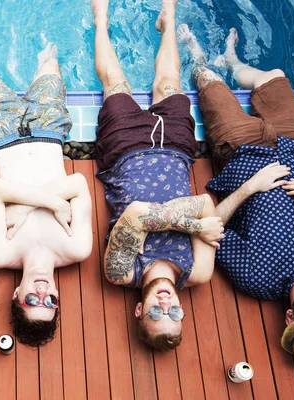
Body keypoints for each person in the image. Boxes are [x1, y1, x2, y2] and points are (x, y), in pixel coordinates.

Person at [179, 24, 294, 369]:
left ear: (291, 318)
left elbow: (209, 225)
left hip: (240, 149)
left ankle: (196, 54)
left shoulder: (257, 277)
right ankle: (233, 61)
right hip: (292, 146)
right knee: (273, 75)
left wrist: (251, 187)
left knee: (206, 78)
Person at [91, 0, 224, 351]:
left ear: (139, 309)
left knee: (116, 84)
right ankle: (169, 16)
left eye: (155, 313)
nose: (167, 305)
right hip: (178, 151)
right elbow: (205, 202)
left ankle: (100, 19)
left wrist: (194, 224)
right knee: (169, 83)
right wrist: (191, 215)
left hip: (124, 151)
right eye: (175, 314)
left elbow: (135, 213)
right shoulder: (198, 272)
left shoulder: (122, 273)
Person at [0, 40, 93, 347]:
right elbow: (78, 183)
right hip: (49, 128)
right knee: (51, 62)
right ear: (58, 298)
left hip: (1, 132)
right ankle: (42, 59)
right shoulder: (76, 248)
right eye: (49, 303)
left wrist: (44, 205)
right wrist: (35, 202)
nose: (41, 294)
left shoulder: (2, 254)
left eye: (31, 302)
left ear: (16, 296)